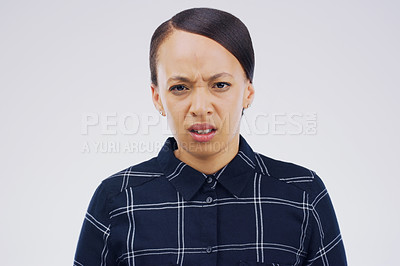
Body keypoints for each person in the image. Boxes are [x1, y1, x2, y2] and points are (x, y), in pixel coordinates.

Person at [74, 7, 347, 266]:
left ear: (248, 92)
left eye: (220, 85)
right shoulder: (116, 200)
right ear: (157, 97)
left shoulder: (303, 195)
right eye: (180, 87)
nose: (201, 107)